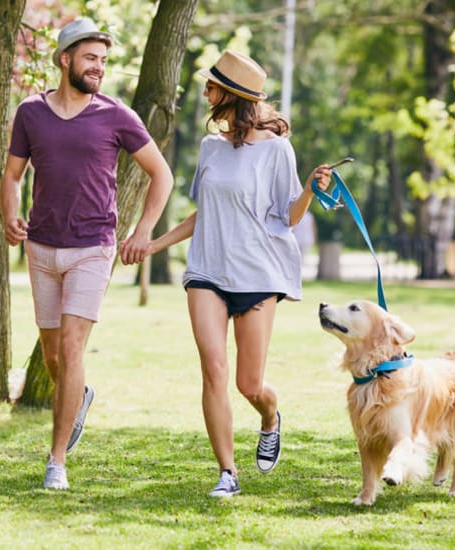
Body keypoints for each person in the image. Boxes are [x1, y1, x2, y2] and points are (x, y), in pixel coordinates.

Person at [123, 50, 330, 497]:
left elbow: (288, 217)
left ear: (232, 96)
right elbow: (205, 213)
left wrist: (310, 190)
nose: (205, 91)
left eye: (213, 85)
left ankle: (270, 417)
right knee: (214, 370)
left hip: (257, 274)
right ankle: (227, 473)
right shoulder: (210, 147)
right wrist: (154, 243)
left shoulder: (277, 150)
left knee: (248, 383)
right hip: (208, 270)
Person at [0, 17, 174, 491]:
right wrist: (9, 214)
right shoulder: (31, 113)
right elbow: (12, 175)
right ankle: (80, 396)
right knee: (55, 357)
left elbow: (162, 175)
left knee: (73, 348)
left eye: (103, 59)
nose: (99, 67)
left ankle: (56, 460)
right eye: (90, 58)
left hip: (92, 248)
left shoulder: (117, 115)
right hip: (40, 246)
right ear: (64, 60)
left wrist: (142, 230)